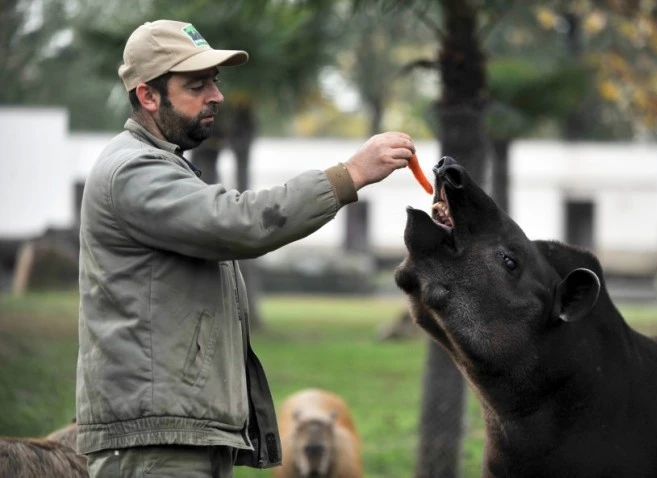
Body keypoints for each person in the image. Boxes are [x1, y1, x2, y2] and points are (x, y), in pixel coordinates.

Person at [75, 19, 416, 478]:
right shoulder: (133, 170)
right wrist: (349, 175)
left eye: (214, 81)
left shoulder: (162, 165)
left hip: (177, 435)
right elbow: (239, 222)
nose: (216, 95)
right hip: (155, 444)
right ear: (148, 96)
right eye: (196, 85)